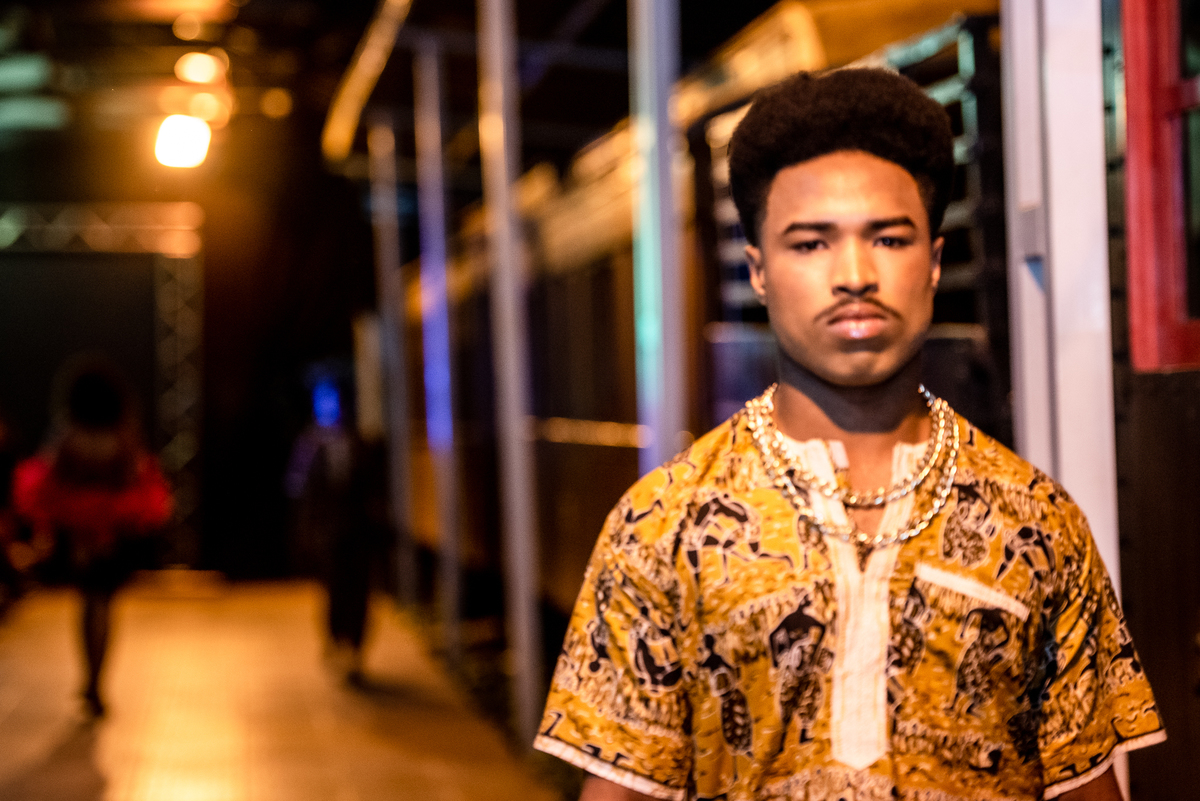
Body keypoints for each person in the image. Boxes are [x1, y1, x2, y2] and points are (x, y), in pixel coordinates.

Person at [534, 69, 1164, 801]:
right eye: (811, 244)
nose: (855, 274)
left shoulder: (1036, 522)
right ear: (759, 271)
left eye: (889, 238)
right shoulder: (663, 526)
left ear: (933, 262)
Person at [11, 358, 173, 716]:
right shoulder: (122, 436)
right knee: (104, 602)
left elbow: (50, 477)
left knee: (88, 601)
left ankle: (90, 678)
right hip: (113, 527)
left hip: (79, 528)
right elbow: (136, 477)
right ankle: (97, 679)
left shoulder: (69, 435)